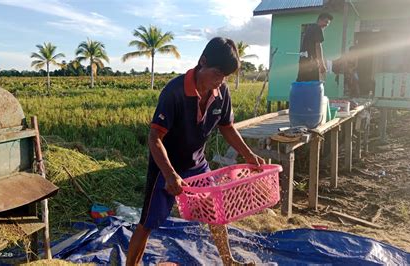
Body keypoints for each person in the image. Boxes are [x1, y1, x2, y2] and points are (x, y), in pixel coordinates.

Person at [126, 37, 265, 266]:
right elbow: (154, 137)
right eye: (217, 73)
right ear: (202, 62)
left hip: (197, 164)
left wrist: (248, 155)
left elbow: (227, 127)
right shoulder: (175, 92)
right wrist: (170, 175)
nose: (220, 81)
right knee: (148, 222)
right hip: (166, 166)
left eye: (225, 77)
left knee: (216, 213)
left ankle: (228, 260)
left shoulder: (221, 92)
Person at [297, 13, 334, 82]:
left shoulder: (309, 28)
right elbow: (318, 46)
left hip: (303, 63)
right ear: (320, 20)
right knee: (313, 86)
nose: (326, 25)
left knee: (301, 84)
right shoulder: (318, 28)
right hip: (311, 63)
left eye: (328, 23)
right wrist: (321, 64)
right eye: (325, 22)